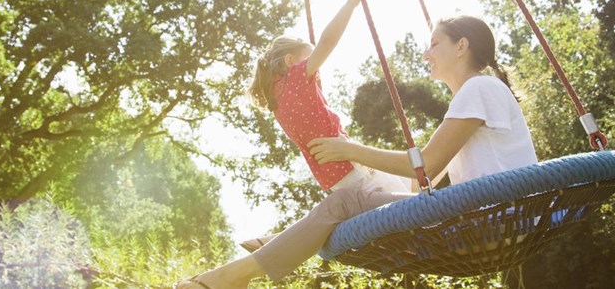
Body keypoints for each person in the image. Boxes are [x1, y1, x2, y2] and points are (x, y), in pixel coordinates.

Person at [174, 15, 537, 288]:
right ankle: (273, 249)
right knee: (349, 205)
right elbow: (419, 180)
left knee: (344, 203)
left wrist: (349, 150)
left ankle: (232, 275)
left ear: (461, 46)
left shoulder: (478, 90)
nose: (426, 53)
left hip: (491, 222)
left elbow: (422, 167)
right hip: (491, 219)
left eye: (434, 43)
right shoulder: (478, 95)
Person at [240, 0, 409, 252]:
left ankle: (277, 239)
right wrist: (351, 2)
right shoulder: (297, 77)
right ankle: (279, 240)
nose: (315, 69)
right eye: (308, 60)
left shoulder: (276, 102)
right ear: (289, 61)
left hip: (336, 178)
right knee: (419, 203)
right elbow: (328, 42)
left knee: (388, 209)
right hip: (351, 166)